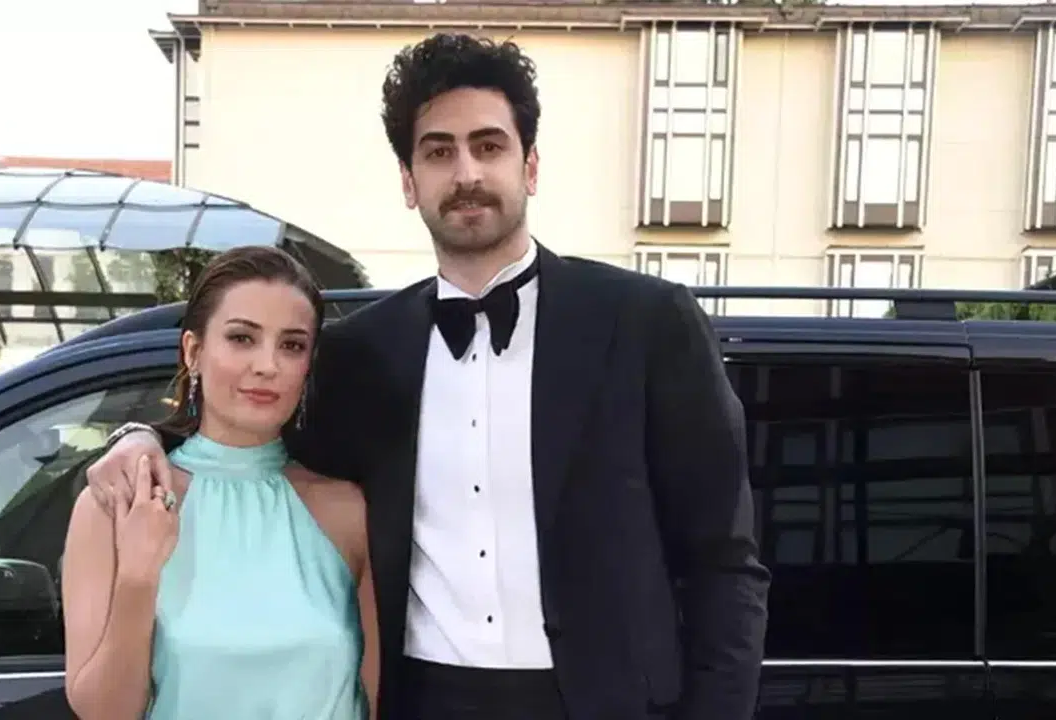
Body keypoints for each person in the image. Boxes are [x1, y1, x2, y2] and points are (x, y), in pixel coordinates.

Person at [87, 32, 769, 720]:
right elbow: (252, 445)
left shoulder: (646, 323)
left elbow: (724, 563)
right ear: (410, 183)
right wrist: (140, 436)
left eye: (489, 146)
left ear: (530, 166)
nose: (466, 172)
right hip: (422, 702)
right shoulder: (360, 352)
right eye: (439, 151)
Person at [62, 246, 379, 720]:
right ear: (193, 351)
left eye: (291, 345)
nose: (267, 365)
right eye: (242, 338)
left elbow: (380, 697)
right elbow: (104, 713)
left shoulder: (347, 511)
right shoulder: (117, 502)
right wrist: (138, 579)